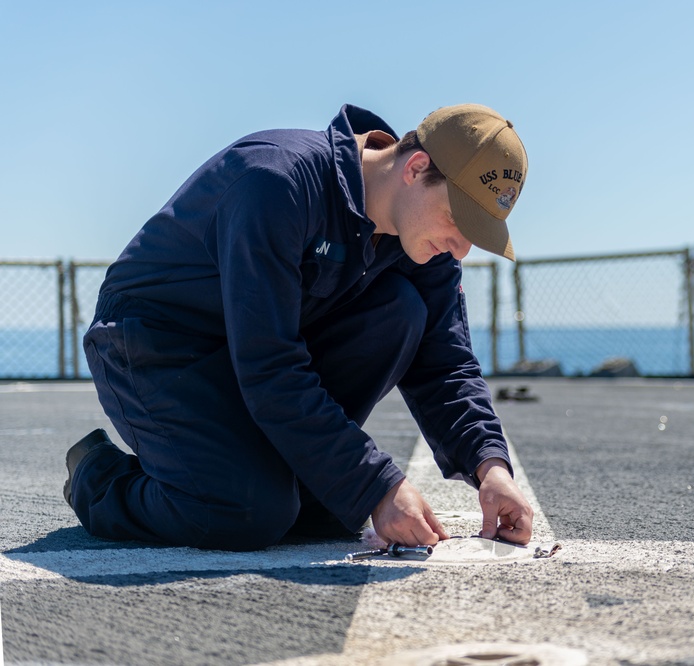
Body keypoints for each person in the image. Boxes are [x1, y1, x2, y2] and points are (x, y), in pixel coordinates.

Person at [64, 103, 534, 552]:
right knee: (244, 512)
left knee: (401, 313)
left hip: (253, 353)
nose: (461, 249)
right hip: (155, 343)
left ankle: (274, 483)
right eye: (457, 219)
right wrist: (375, 485)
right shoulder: (276, 182)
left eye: (477, 233)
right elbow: (270, 365)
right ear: (415, 168)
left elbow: (446, 364)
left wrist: (490, 466)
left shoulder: (424, 241)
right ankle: (98, 476)